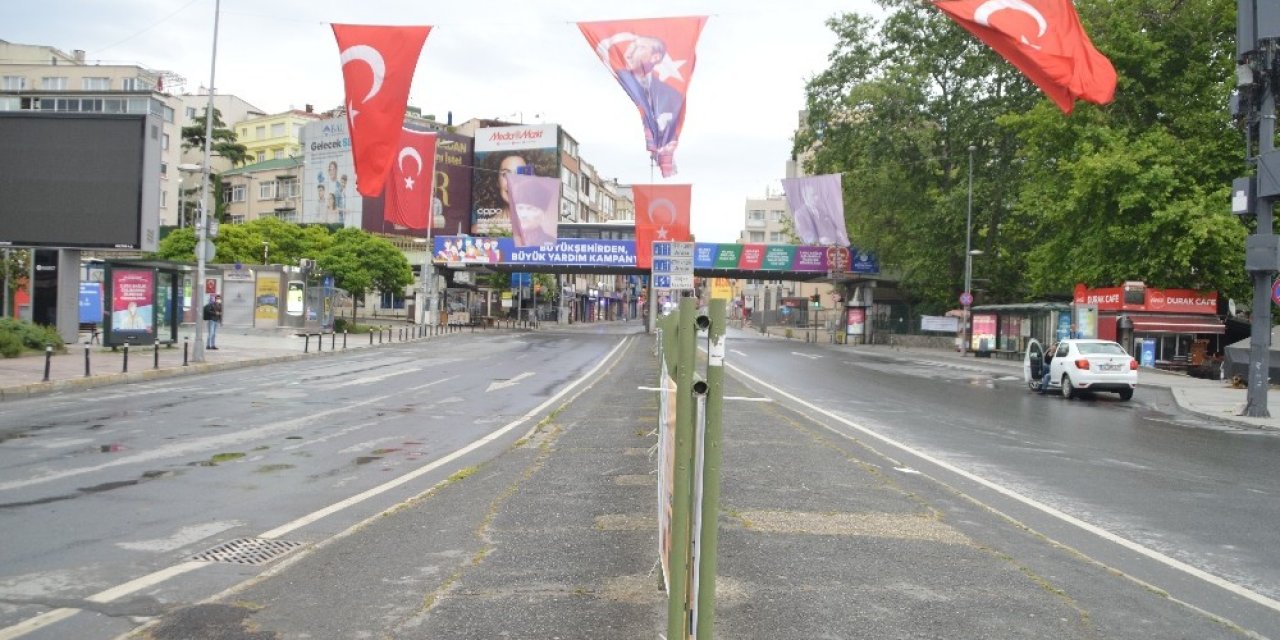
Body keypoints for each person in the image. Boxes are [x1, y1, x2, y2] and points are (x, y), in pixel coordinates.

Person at [616, 35, 684, 176]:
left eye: (639, 48)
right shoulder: (617, 78)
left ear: (655, 57)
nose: (629, 52)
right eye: (631, 46)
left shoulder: (671, 95)